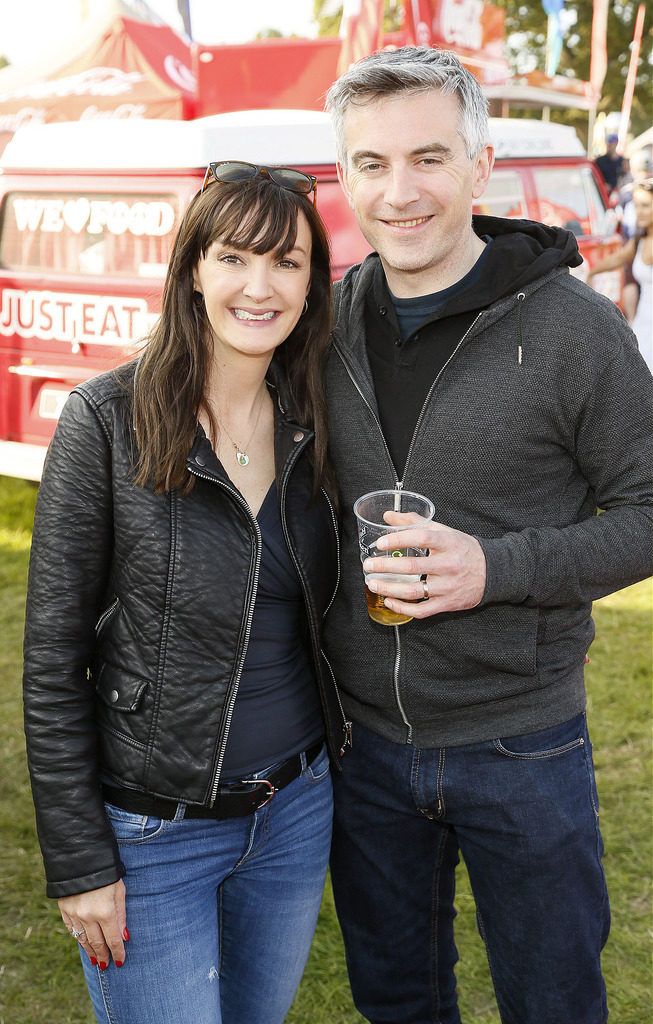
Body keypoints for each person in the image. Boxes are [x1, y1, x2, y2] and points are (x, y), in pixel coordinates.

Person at [323, 46, 653, 1024]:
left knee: (551, 1000)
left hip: (522, 745)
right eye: (370, 165)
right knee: (397, 1000)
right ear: (343, 177)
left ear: (480, 164)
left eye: (427, 158)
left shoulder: (572, 330)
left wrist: (493, 569)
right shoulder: (324, 320)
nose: (398, 192)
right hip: (362, 747)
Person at [23, 162, 350, 1024]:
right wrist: (80, 862)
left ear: (313, 284)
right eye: (236, 257)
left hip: (293, 814)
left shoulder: (316, 420)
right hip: (152, 837)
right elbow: (51, 660)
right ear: (192, 269)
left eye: (286, 262)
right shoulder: (105, 420)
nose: (259, 285)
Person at [588, 179, 653, 374]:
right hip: (643, 323)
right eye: (636, 205)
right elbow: (616, 258)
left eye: (646, 205)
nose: (639, 211)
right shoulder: (640, 239)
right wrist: (592, 272)